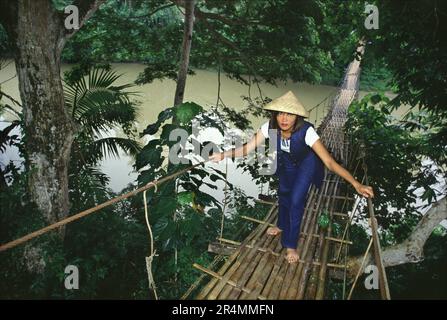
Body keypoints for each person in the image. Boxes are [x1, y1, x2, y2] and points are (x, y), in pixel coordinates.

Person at [209, 91, 374, 264]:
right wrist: (223, 155)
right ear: (275, 114)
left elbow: (330, 163)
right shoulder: (269, 127)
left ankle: (290, 244)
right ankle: (281, 224)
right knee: (284, 192)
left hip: (307, 163)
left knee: (296, 200)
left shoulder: (307, 132)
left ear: (297, 117)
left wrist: (356, 184)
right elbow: (247, 148)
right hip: (287, 161)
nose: (284, 119)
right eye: (281, 113)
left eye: (290, 114)